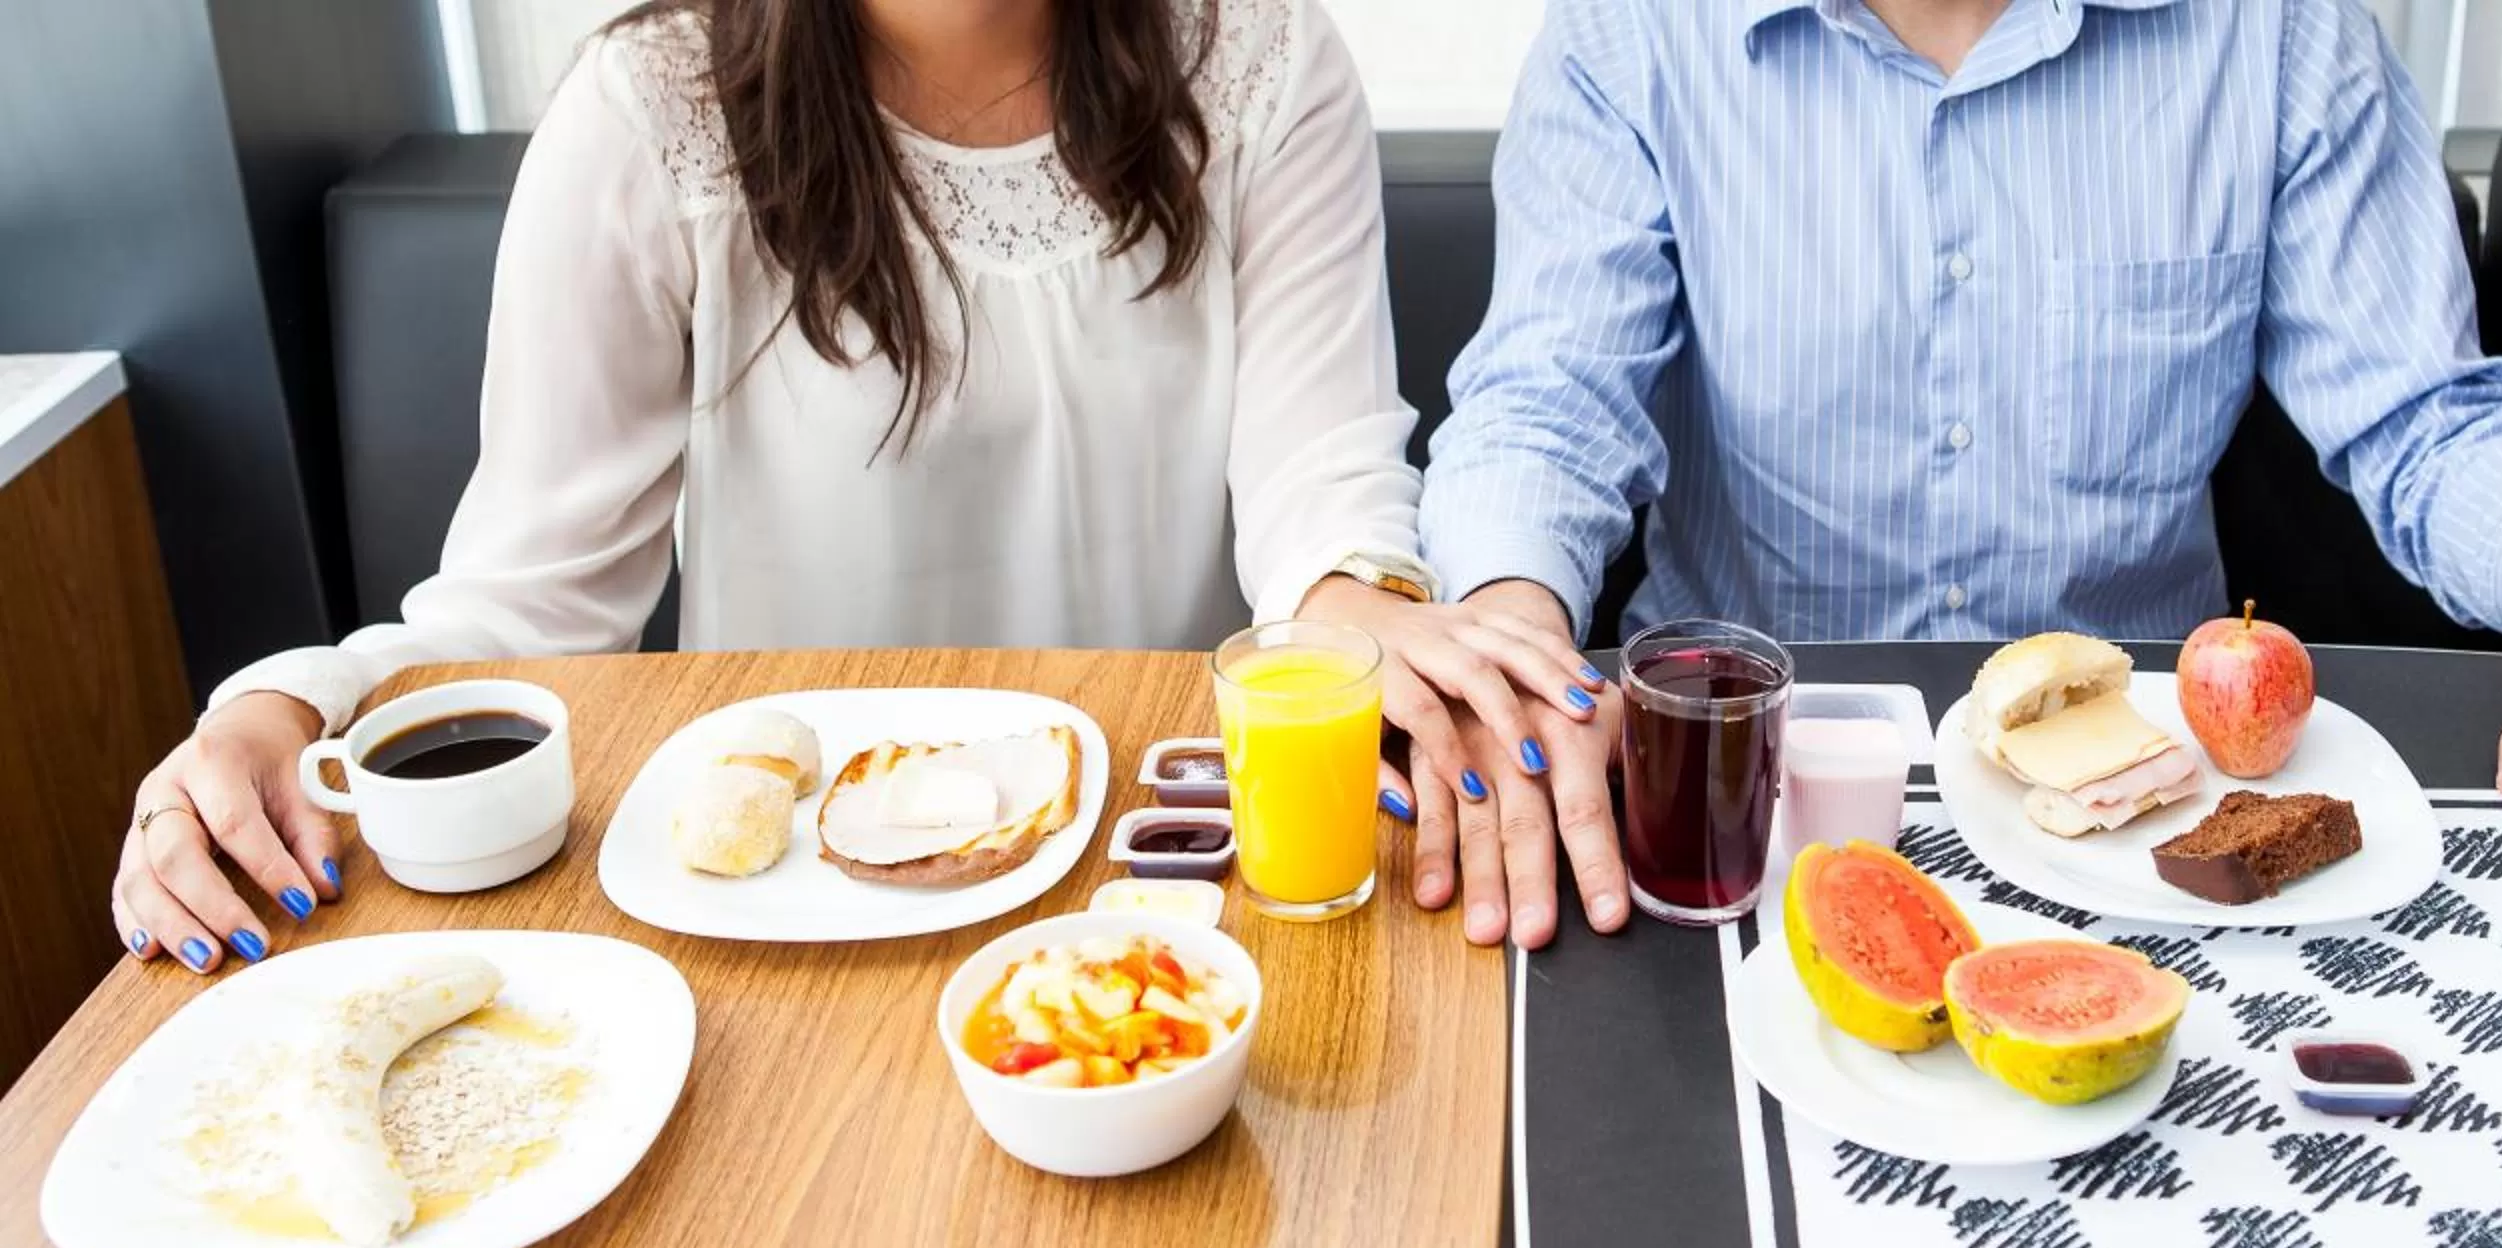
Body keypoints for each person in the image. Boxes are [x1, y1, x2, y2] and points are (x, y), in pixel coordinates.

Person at [109, 0, 1596, 974]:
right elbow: (524, 607)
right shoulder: (652, 112)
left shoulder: (1264, 67)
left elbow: (1319, 489)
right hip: (789, 917)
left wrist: (1366, 608)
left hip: (1173, 885)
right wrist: (281, 707)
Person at [1410, 0, 2502, 948]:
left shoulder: (2283, 36)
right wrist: (1512, 626)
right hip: (1744, 787)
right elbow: (1548, 399)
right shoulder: (1630, 35)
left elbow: (2427, 414)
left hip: (2155, 815)